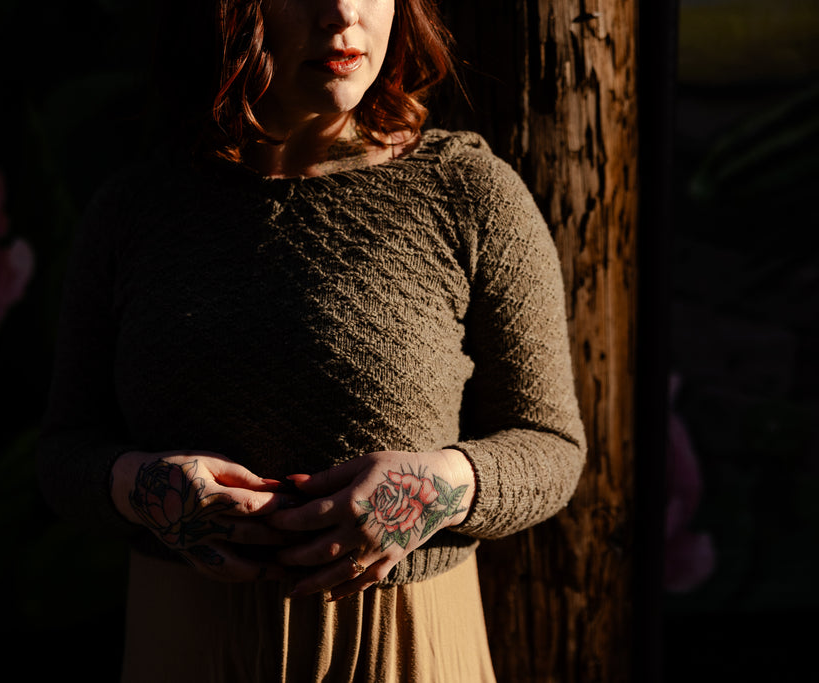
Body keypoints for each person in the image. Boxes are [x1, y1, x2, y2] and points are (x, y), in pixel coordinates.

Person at [37, 1, 587, 681]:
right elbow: (64, 451)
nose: (344, 12)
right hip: (188, 647)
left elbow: (551, 445)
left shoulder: (468, 193)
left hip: (403, 651)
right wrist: (144, 487)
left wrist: (441, 484)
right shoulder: (135, 210)